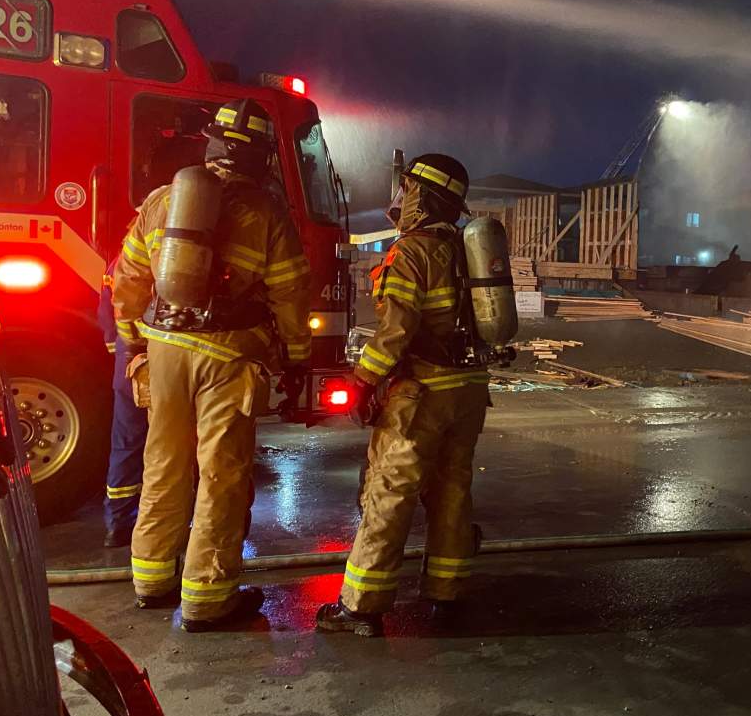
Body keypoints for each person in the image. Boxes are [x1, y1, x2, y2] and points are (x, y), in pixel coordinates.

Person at [113, 98, 312, 633]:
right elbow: (291, 293)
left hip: (163, 350)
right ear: (263, 158)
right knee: (221, 475)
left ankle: (151, 580)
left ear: (214, 144)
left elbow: (128, 280)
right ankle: (207, 596)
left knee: (164, 464)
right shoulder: (266, 213)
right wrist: (296, 358)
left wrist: (134, 344)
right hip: (227, 356)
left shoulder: (160, 202)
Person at [316, 153, 490, 638]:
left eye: (408, 188)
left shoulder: (412, 252)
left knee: (390, 493)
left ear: (422, 195)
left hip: (423, 393)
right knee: (453, 490)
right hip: (469, 390)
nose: (401, 197)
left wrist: (363, 382)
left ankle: (361, 608)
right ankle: (447, 594)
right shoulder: (465, 249)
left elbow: (394, 331)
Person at [97, 253, 150, 548]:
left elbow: (107, 309)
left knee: (126, 443)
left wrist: (116, 349)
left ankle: (118, 525)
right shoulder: (168, 252)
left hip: (127, 362)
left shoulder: (122, 258)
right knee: (169, 446)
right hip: (159, 358)